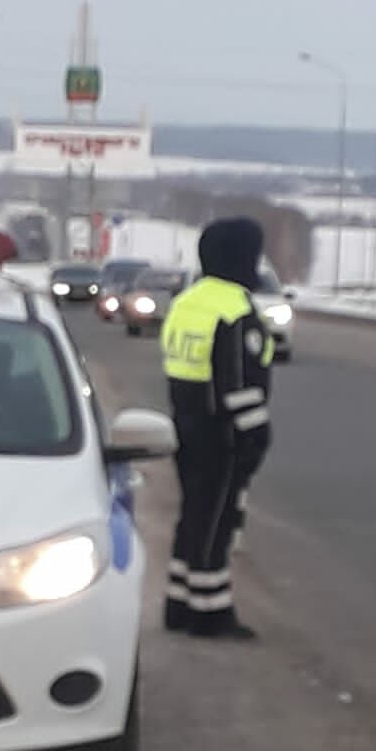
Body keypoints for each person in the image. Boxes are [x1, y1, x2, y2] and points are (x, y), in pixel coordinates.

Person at [161, 216, 274, 640]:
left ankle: (178, 601)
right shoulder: (236, 310)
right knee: (217, 521)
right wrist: (255, 434)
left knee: (192, 514)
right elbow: (238, 383)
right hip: (223, 435)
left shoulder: (187, 303)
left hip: (185, 424)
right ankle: (210, 611)